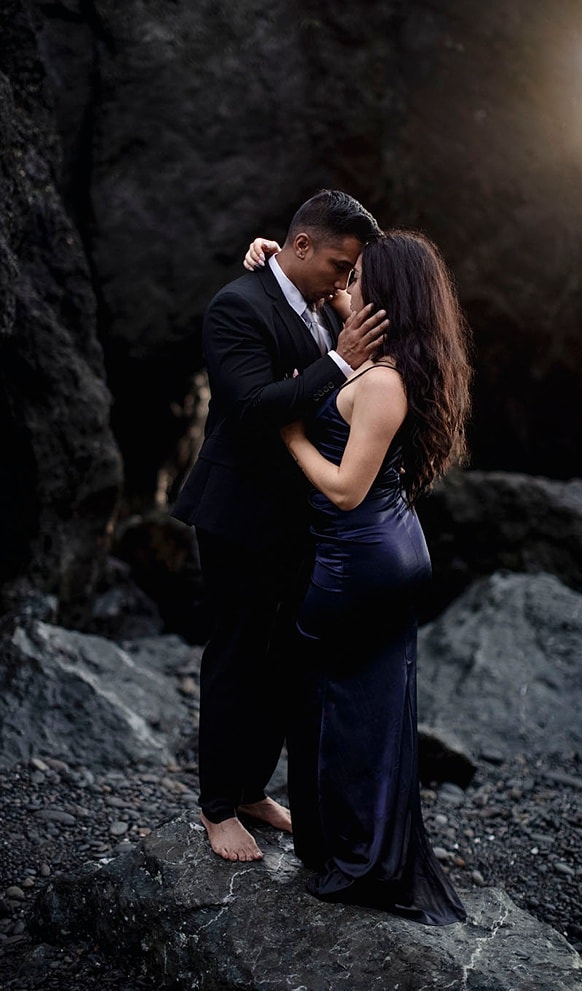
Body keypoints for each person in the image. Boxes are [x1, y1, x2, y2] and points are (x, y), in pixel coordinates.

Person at [245, 228, 471, 925]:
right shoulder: (399, 361)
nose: (350, 283)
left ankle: (359, 859)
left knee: (331, 704)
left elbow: (344, 489)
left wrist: (290, 433)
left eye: (362, 275)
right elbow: (332, 293)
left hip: (359, 558)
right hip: (390, 553)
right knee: (368, 704)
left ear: (389, 295)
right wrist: (273, 258)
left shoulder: (380, 383)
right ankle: (354, 845)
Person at [171, 190, 387, 862]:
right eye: (337, 264)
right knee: (235, 654)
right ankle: (214, 806)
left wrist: (339, 347)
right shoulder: (238, 307)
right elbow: (254, 406)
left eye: (352, 270)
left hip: (300, 518)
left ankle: (250, 789)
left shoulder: (327, 308)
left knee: (281, 658)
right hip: (238, 513)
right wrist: (340, 362)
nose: (344, 280)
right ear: (299, 246)